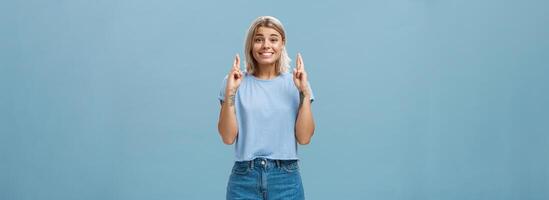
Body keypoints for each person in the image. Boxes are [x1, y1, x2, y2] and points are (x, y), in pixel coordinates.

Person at [217, 16, 316, 200]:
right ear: (251, 44)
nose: (266, 45)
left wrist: (304, 92)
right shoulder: (234, 82)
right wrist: (231, 93)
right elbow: (227, 137)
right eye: (258, 39)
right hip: (244, 178)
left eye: (273, 39)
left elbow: (304, 138)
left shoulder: (296, 83)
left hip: (286, 178)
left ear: (282, 43)